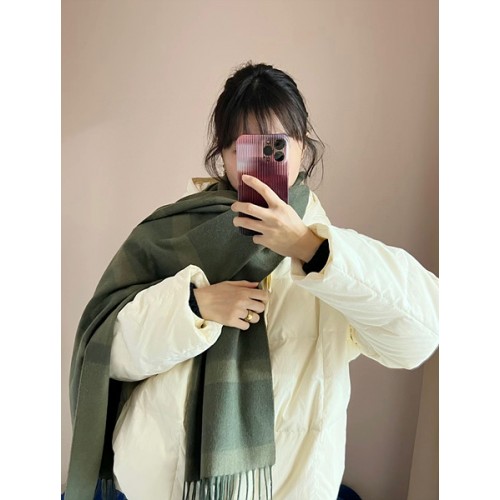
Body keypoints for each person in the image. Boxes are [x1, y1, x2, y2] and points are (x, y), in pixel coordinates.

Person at [65, 62, 439, 500]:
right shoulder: (171, 233)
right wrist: (195, 306)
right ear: (223, 155)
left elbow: (421, 336)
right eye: (244, 146)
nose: (261, 160)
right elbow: (107, 353)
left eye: (275, 145)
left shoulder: (335, 255)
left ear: (302, 149)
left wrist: (309, 248)